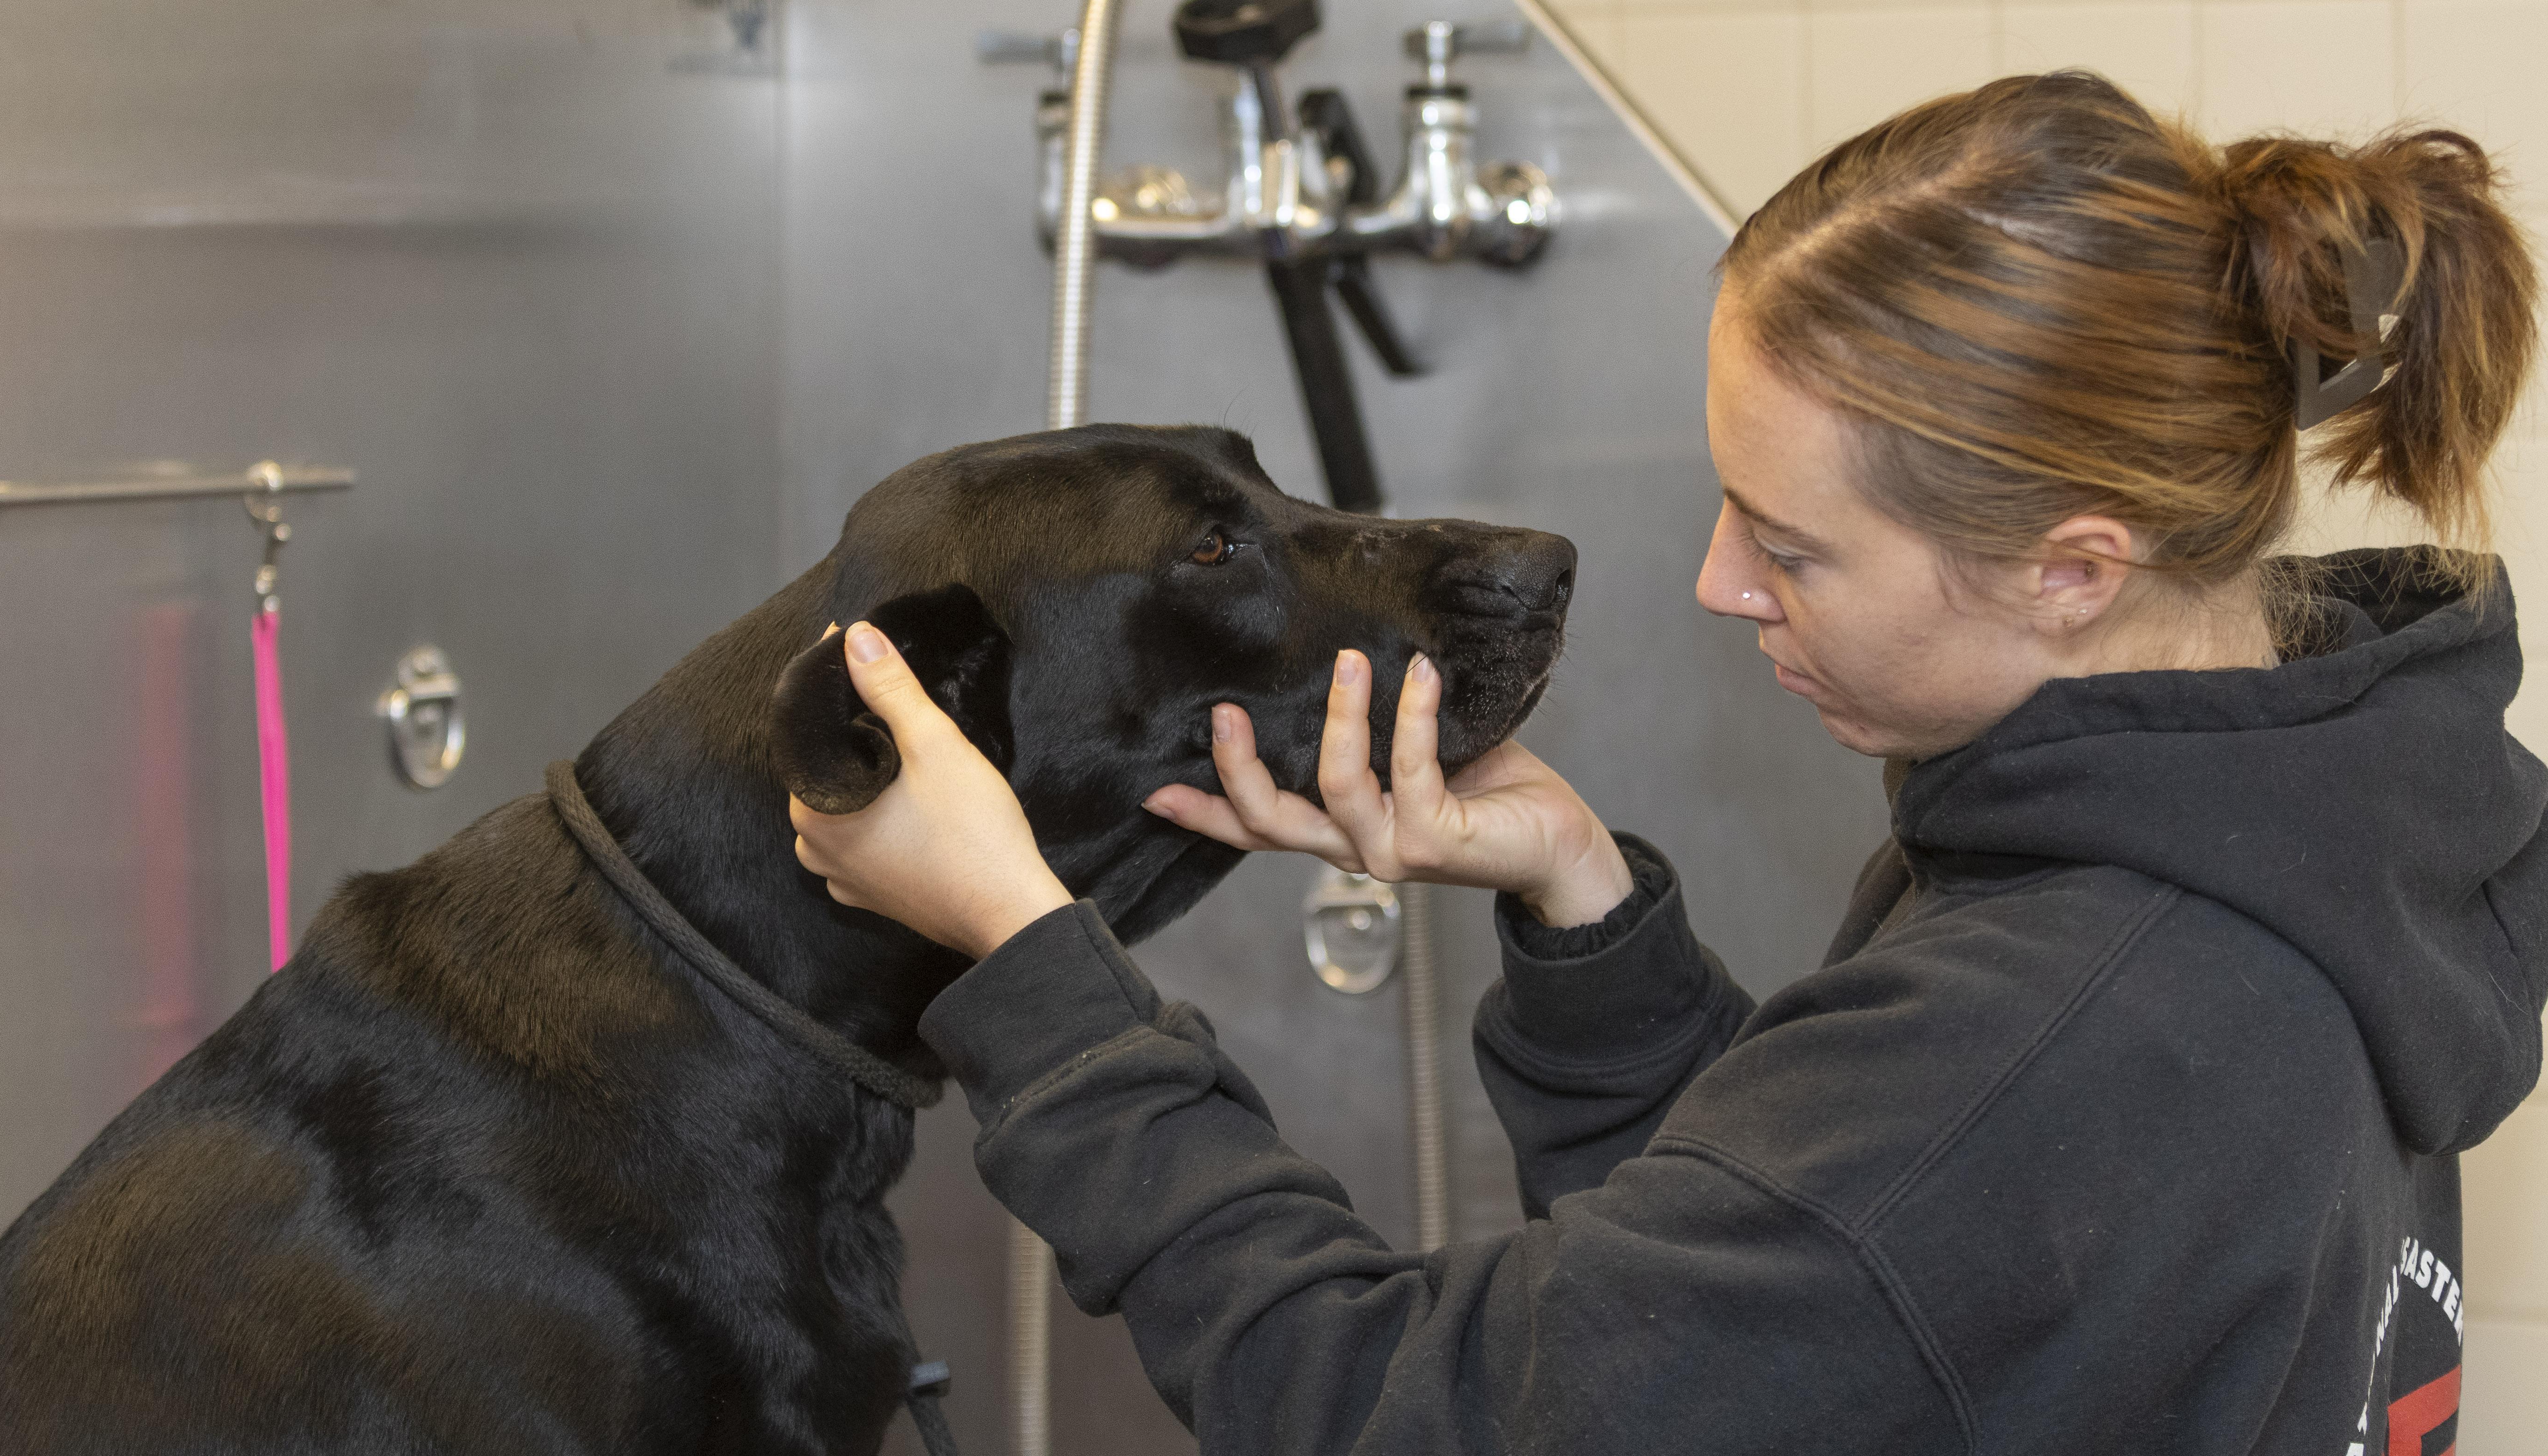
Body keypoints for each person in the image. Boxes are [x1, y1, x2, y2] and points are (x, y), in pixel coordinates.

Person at [790, 72, 2548, 1451]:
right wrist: (1585, 904)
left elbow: (1418, 1415)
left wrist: (1034, 972)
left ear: (2073, 571)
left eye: (1792, 545)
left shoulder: (2060, 1028)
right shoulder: (2295, 847)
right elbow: (1816, 1319)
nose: (1721, 583)